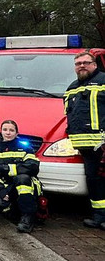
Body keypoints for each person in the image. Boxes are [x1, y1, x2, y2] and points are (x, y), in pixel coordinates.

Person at [64, 51, 105, 229]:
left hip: (102, 144)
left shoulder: (103, 81)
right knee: (94, 181)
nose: (81, 66)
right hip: (86, 146)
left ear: (94, 64)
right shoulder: (72, 87)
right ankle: (99, 216)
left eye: (85, 62)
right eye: (78, 63)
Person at [0, 120, 42, 233]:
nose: (8, 133)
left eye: (11, 130)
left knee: (22, 178)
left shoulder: (25, 148)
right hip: (6, 187)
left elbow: (33, 167)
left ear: (16, 133)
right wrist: (0, 190)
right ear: (1, 132)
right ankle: (15, 213)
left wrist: (8, 169)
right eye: (5, 130)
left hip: (25, 184)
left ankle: (28, 217)